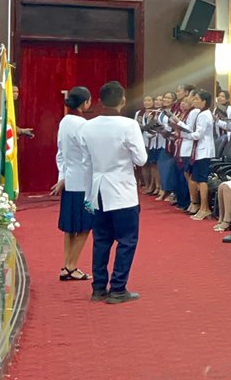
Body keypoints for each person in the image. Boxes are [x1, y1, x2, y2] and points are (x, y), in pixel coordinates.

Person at [79, 81, 146, 304]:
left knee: (101, 240)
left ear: (99, 100)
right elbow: (141, 159)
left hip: (97, 189)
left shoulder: (87, 126)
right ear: (123, 100)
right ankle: (118, 288)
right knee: (127, 240)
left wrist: (87, 194)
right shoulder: (129, 125)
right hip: (122, 190)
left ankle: (98, 288)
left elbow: (85, 163)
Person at [51, 86, 93, 281]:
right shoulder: (83, 124)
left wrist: (62, 178)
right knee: (85, 226)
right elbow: (88, 154)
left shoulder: (65, 121)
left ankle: (66, 265)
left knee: (70, 227)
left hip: (69, 178)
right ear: (86, 102)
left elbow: (60, 153)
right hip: (83, 182)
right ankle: (72, 266)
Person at [172, 89, 216, 220]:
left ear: (204, 102)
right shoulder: (202, 113)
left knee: (201, 180)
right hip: (199, 150)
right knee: (197, 179)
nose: (194, 101)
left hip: (203, 150)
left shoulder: (203, 115)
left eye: (197, 99)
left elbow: (198, 134)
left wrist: (184, 135)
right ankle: (202, 207)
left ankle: (205, 208)